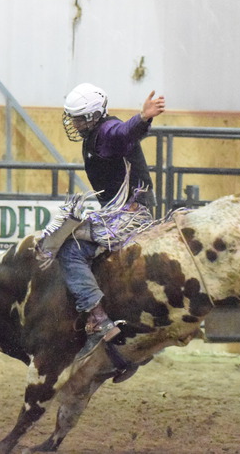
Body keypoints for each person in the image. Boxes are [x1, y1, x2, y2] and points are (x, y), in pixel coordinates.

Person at [59, 83, 166, 359]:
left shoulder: (106, 132)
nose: (72, 122)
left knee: (70, 248)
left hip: (128, 214)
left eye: (78, 117)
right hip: (121, 210)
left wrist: (142, 118)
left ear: (93, 116)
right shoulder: (99, 133)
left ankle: (97, 319)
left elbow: (123, 133)